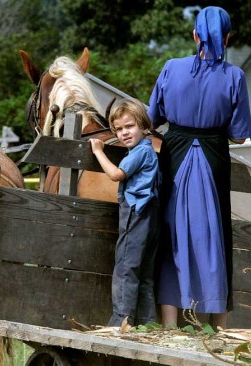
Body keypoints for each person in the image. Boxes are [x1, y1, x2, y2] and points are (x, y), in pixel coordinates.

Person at [147, 6, 251, 330]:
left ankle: (169, 324)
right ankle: (217, 325)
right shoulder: (235, 76)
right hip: (214, 157)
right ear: (228, 37)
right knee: (216, 236)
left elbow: (152, 118)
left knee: (170, 234)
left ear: (195, 36)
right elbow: (239, 133)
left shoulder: (170, 68)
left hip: (175, 154)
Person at [90, 97, 160, 327]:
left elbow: (116, 175)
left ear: (144, 126)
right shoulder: (148, 151)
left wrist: (99, 150)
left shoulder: (139, 153)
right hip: (150, 214)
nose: (124, 133)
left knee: (125, 267)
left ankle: (121, 320)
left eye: (129, 126)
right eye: (118, 129)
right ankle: (149, 323)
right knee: (145, 273)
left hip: (136, 213)